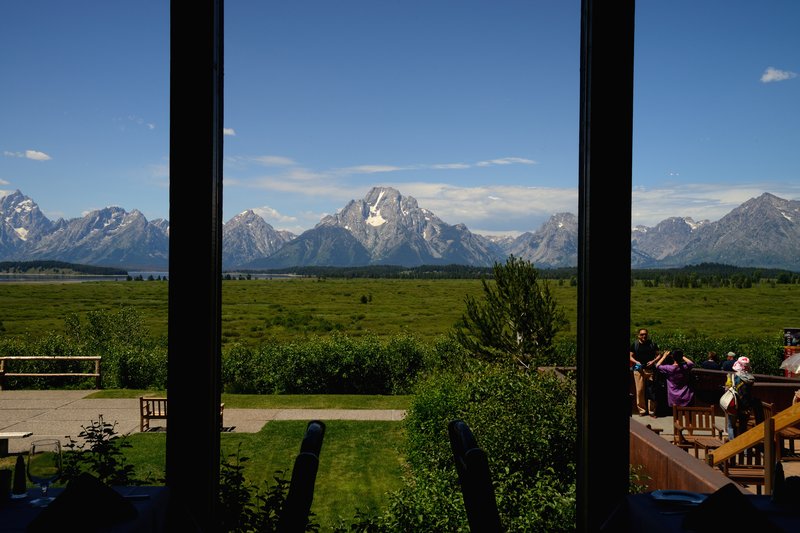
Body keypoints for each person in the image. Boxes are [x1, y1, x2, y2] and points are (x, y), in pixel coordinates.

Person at [724, 356, 764, 441]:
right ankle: (744, 450)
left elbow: (727, 389)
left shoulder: (732, 376)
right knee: (743, 427)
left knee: (731, 426)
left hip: (734, 405)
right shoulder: (751, 379)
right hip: (746, 407)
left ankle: (732, 447)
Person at [630, 328, 659, 417]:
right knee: (639, 391)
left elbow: (659, 355)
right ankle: (642, 411)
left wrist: (653, 361)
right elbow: (630, 356)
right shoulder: (635, 344)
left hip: (650, 370)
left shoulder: (652, 344)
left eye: (645, 334)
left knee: (651, 391)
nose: (644, 336)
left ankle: (652, 412)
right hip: (639, 370)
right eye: (642, 334)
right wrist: (636, 362)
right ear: (638, 335)